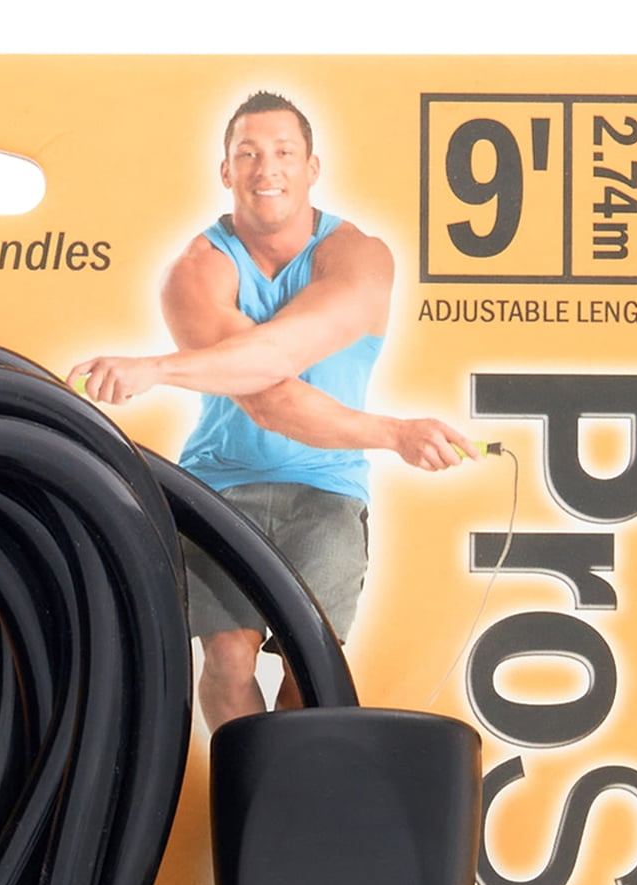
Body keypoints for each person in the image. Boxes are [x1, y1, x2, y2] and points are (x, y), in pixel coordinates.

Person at [70, 91, 475, 728]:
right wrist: (394, 433)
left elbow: (273, 357)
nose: (267, 169)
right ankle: (242, 780)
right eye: (248, 154)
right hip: (218, 486)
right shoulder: (195, 272)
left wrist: (158, 369)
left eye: (284, 152)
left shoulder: (360, 258)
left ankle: (293, 780)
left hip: (328, 488)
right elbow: (267, 399)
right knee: (227, 659)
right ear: (225, 170)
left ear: (312, 167)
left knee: (309, 667)